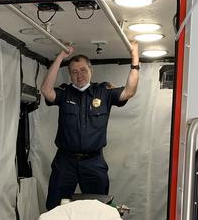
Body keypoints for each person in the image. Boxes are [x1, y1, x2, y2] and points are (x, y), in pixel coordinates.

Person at [40, 43, 140, 209]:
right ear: (70, 75)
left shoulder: (104, 92)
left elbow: (129, 91)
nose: (79, 75)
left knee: (99, 208)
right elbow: (46, 90)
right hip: (65, 161)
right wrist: (59, 58)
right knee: (55, 208)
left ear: (91, 70)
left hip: (93, 162)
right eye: (74, 71)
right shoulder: (64, 93)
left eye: (83, 70)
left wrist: (135, 58)